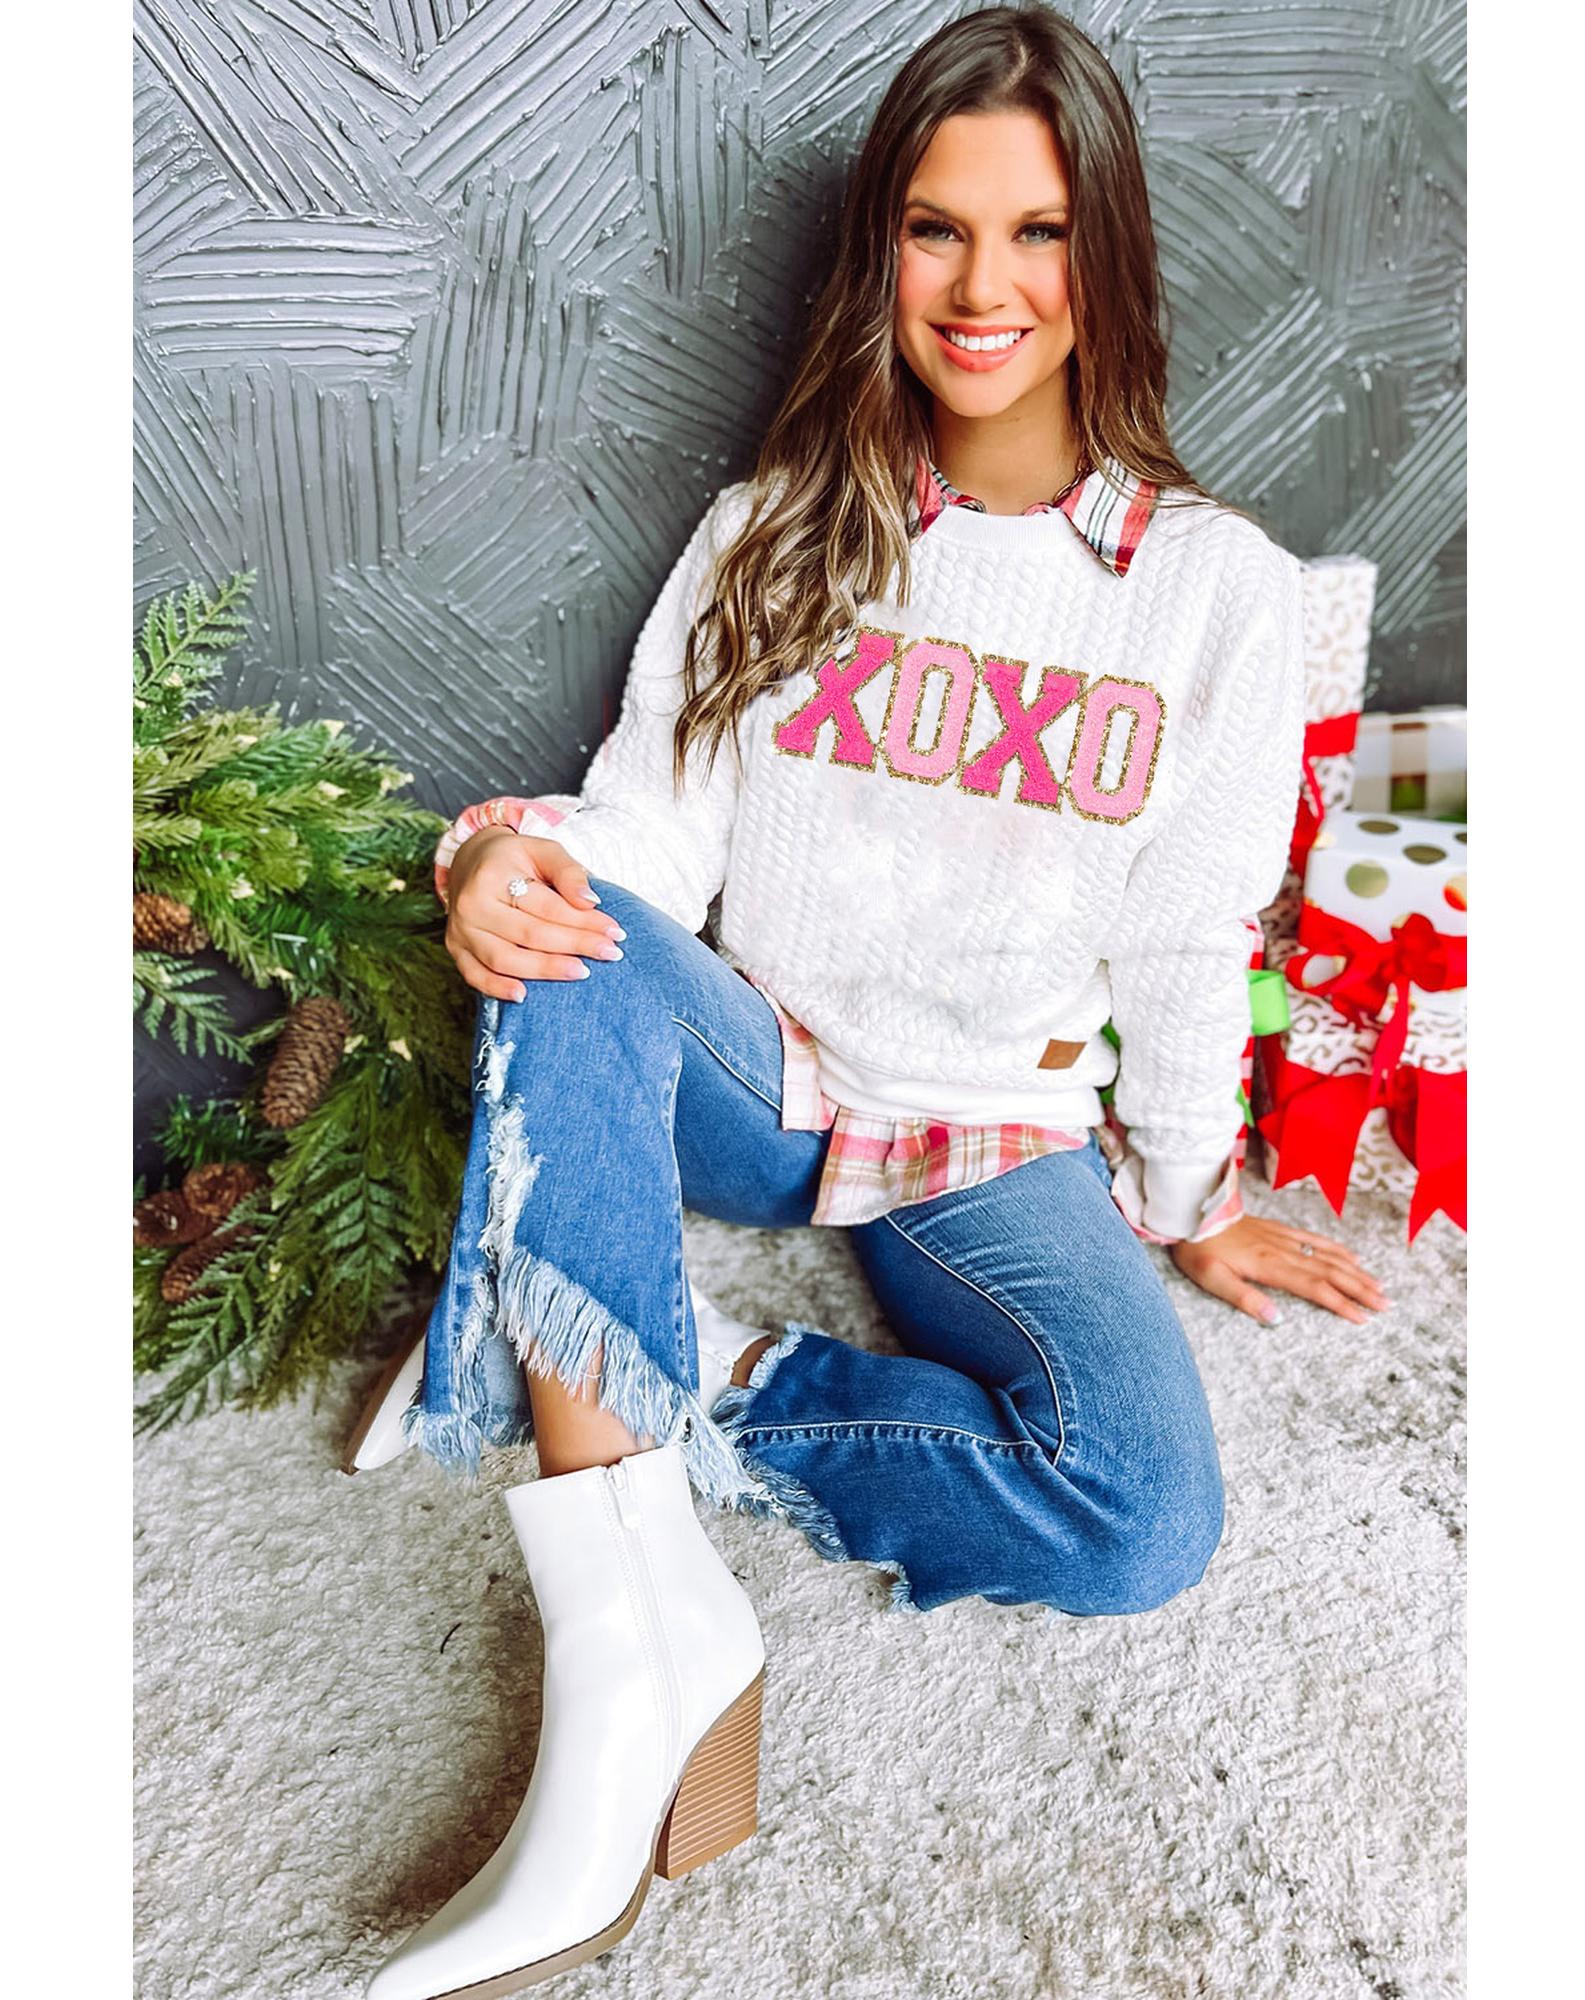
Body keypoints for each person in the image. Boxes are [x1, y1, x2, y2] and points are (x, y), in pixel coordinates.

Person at [359, 9, 1386, 1996]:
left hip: (987, 1135)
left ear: (1106, 256)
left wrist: (1188, 1198)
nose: (983, 288)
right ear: (881, 253)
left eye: (1036, 232)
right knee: (566, 907)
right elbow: (646, 832)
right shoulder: (778, 526)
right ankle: (624, 1652)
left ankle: (681, 1368)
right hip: (755, 1071)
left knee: (1136, 1519)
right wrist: (496, 861)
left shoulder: (1215, 593)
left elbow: (1192, 937)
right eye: (936, 230)